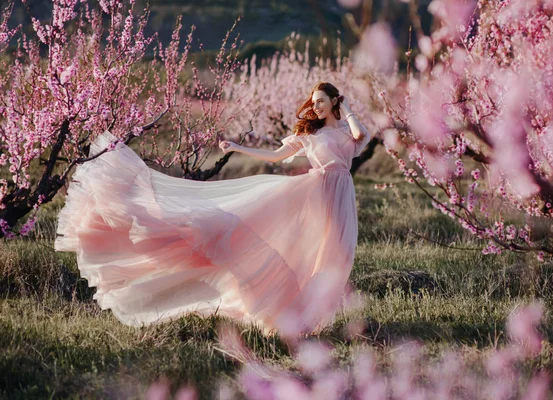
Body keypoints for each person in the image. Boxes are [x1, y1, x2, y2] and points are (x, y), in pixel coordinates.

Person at [54, 81, 370, 334]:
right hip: (313, 193)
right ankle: (293, 317)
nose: (314, 106)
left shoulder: (344, 130)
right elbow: (274, 156)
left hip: (341, 194)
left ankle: (308, 317)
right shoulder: (309, 135)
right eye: (312, 102)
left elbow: (360, 136)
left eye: (320, 101)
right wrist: (236, 147)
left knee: (337, 256)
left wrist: (349, 108)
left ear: (333, 102)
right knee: (298, 249)